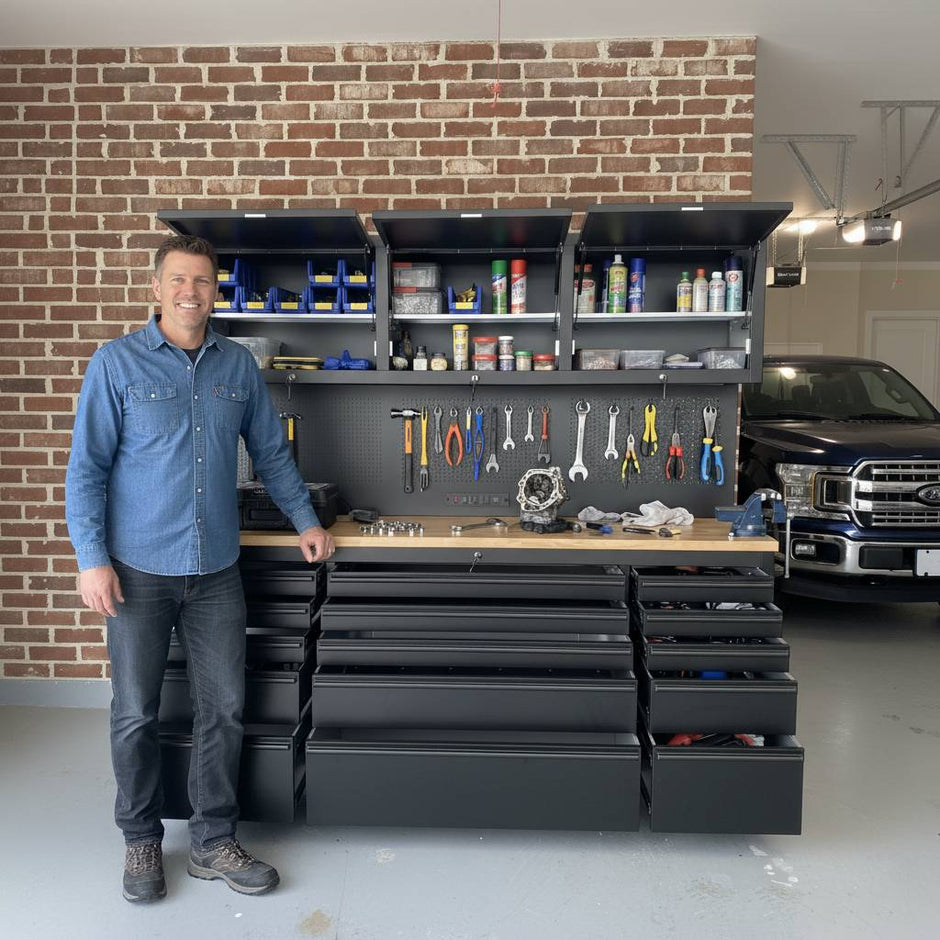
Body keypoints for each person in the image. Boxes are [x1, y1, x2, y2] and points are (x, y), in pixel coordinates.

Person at [65, 234, 335, 903]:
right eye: (179, 280)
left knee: (225, 710)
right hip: (137, 570)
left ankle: (213, 840)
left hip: (215, 571)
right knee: (135, 712)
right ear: (156, 288)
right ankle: (141, 840)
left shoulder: (237, 367)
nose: (192, 293)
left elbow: (271, 452)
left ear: (218, 291)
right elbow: (86, 472)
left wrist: (305, 518)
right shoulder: (115, 363)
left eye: (204, 282)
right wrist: (91, 560)